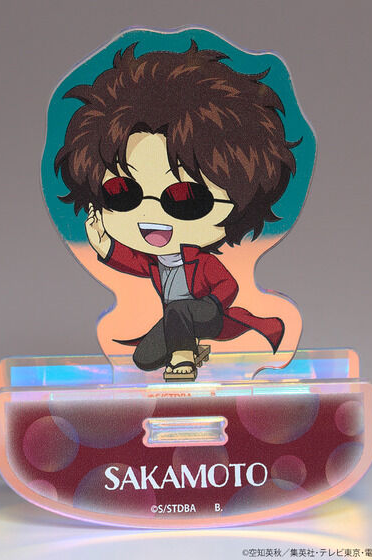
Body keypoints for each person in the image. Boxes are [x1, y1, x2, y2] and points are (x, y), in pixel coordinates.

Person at [55, 42, 298, 380]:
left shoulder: (203, 262)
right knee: (144, 358)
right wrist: (104, 244)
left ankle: (184, 357)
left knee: (181, 310)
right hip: (177, 316)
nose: (150, 214)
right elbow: (135, 262)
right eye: (122, 192)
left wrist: (211, 305)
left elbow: (227, 285)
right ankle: (187, 347)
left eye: (185, 198)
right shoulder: (158, 262)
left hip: (209, 313)